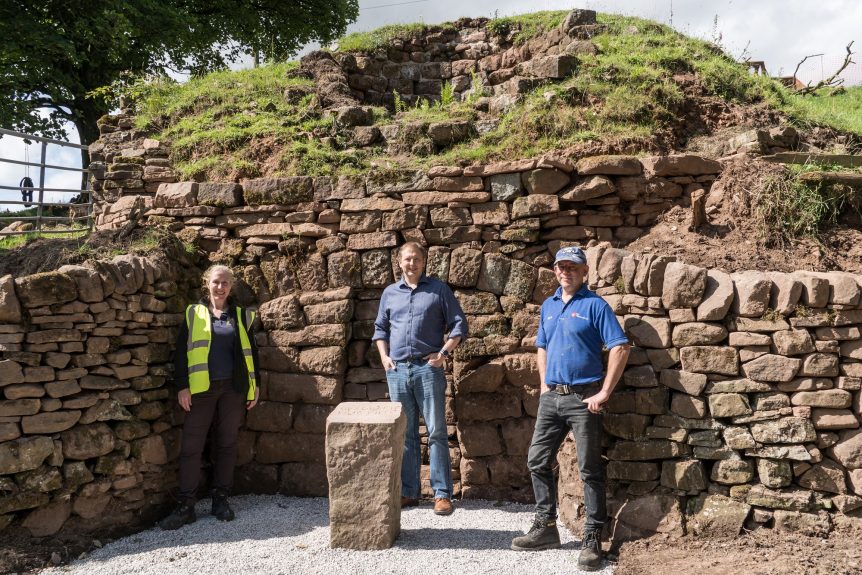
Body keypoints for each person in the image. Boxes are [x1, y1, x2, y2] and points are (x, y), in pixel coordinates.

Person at [511, 246, 630, 572]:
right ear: (556, 271)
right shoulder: (548, 306)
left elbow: (620, 347)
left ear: (584, 272)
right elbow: (542, 346)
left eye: (573, 267)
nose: (567, 272)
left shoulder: (595, 306)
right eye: (562, 267)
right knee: (537, 460)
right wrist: (545, 385)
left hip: (584, 399)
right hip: (553, 398)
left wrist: (604, 391)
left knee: (590, 468)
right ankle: (546, 527)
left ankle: (593, 538)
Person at [160, 264, 261, 530]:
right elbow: (181, 352)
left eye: (225, 283)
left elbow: (252, 354)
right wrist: (182, 386)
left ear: (231, 286)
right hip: (200, 390)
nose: (220, 287)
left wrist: (256, 385)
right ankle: (186, 506)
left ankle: (221, 499)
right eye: (216, 282)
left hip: (233, 389)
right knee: (192, 448)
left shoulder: (241, 316)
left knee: (226, 444)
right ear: (207, 283)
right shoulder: (194, 314)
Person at [373, 242, 467, 516]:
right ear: (399, 262)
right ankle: (409, 492)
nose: (411, 263)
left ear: (424, 261)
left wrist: (443, 354)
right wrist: (384, 357)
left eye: (416, 259)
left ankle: (441, 495)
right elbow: (380, 328)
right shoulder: (390, 293)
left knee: (437, 431)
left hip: (428, 369)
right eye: (407, 259)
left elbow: (459, 324)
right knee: (406, 433)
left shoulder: (438, 290)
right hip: (398, 370)